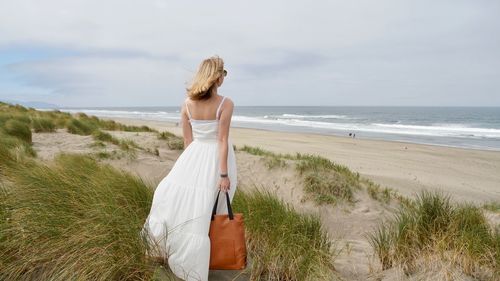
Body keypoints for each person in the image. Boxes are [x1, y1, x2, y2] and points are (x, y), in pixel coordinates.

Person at [140, 56, 237, 281]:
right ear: (216, 77)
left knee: (188, 204)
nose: (224, 77)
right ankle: (198, 262)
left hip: (192, 156)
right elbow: (222, 140)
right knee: (208, 208)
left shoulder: (186, 104)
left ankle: (171, 250)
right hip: (216, 160)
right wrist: (223, 174)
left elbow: (187, 142)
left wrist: (188, 167)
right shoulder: (226, 103)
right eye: (223, 73)